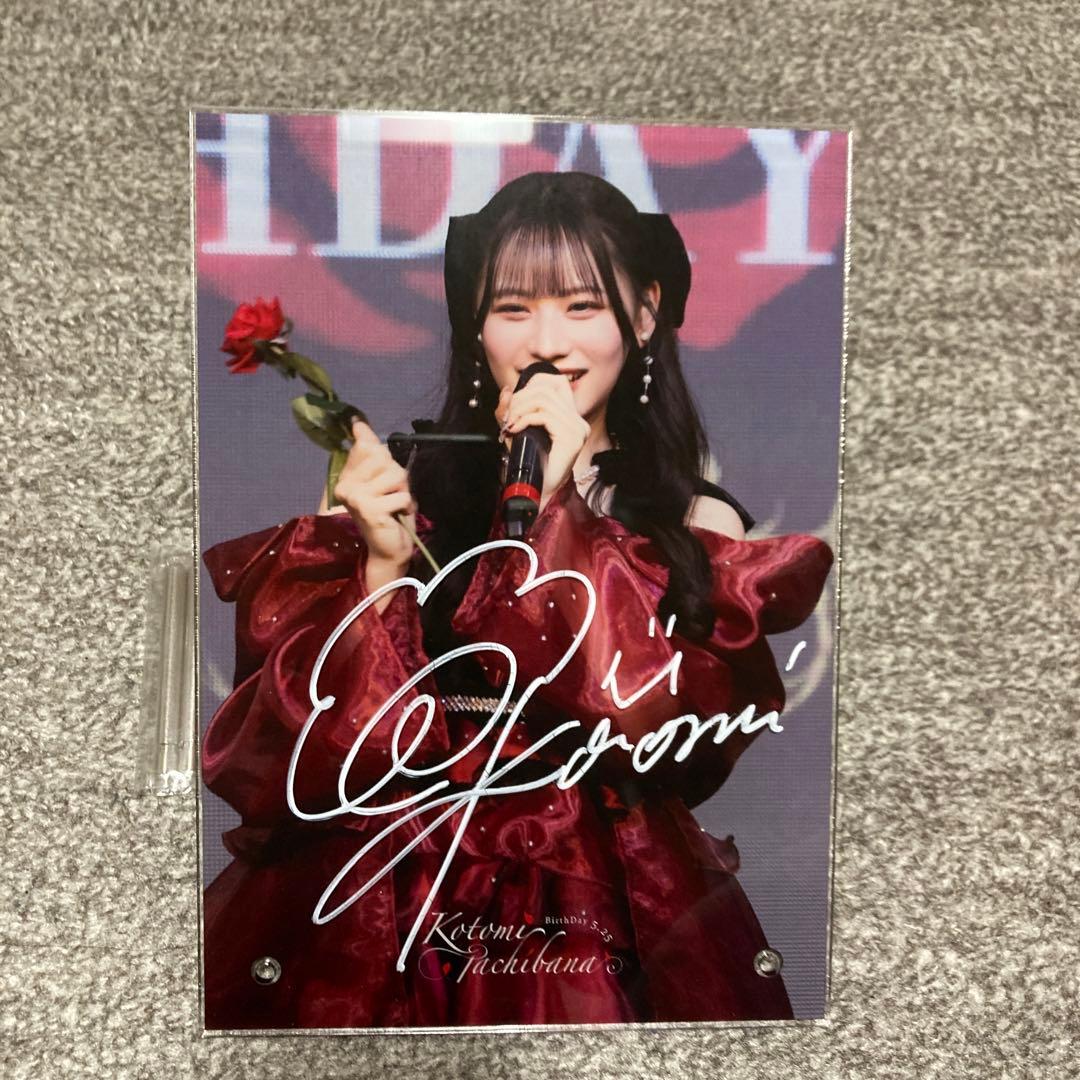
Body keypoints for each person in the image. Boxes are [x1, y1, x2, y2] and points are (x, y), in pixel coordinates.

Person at [200, 171, 834, 1029]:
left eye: (582, 306)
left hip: (593, 904)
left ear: (645, 314)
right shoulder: (394, 483)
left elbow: (651, 734)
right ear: (475, 323)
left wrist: (561, 506)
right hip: (384, 887)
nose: (546, 343)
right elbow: (295, 750)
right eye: (513, 308)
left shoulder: (693, 520)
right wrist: (380, 570)